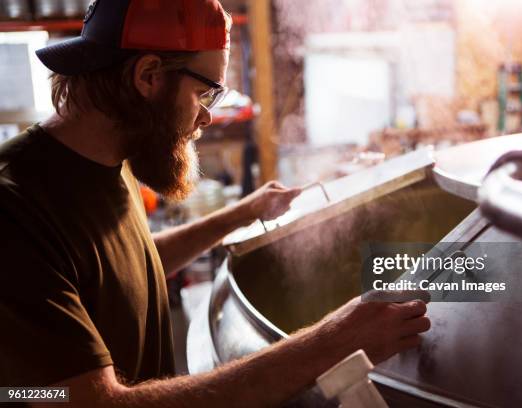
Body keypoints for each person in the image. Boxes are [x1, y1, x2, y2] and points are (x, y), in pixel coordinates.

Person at [0, 1, 430, 406]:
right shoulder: (14, 208)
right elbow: (94, 403)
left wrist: (244, 213)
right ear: (148, 75)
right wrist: (334, 340)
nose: (206, 117)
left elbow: (124, 267)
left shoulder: (108, 157)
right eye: (206, 93)